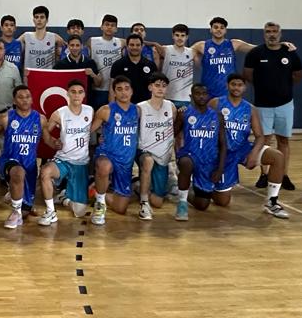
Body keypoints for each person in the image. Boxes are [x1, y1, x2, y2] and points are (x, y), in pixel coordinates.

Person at [211, 74, 290, 218]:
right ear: (227, 85)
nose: (236, 88)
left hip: (242, 149)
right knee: (222, 202)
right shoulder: (216, 103)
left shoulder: (250, 108)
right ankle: (208, 188)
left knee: (277, 157)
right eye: (233, 84)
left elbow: (260, 136)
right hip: (222, 154)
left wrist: (254, 153)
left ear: (245, 87)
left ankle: (271, 202)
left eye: (239, 85)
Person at [243, 22, 302, 191]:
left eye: (275, 31)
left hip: (285, 104)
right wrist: (264, 87)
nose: (272, 34)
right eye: (268, 31)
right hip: (262, 105)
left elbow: (298, 74)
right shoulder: (256, 53)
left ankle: (283, 175)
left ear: (280, 33)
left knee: (283, 140)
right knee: (265, 140)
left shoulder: (289, 53)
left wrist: (283, 86)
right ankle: (264, 174)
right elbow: (247, 75)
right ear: (264, 34)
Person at [38, 79, 97, 225]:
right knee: (45, 172)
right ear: (68, 94)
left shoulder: (90, 111)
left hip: (81, 163)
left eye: (80, 92)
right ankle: (50, 211)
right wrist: (53, 142)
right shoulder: (59, 114)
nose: (77, 95)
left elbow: (97, 129)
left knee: (79, 211)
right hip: (63, 159)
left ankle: (64, 198)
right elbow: (45, 132)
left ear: (84, 95)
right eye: (73, 92)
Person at [90, 76, 140, 225]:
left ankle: (94, 190)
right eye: (119, 89)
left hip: (126, 162)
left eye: (126, 89)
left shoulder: (138, 110)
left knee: (121, 208)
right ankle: (99, 205)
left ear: (132, 91)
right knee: (104, 166)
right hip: (107, 154)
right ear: (114, 92)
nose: (123, 92)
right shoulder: (106, 110)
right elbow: (88, 130)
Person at [173, 83, 226, 220]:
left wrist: (220, 169)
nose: (201, 96)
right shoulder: (184, 114)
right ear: (191, 96)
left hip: (208, 161)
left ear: (208, 96)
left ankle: (182, 189)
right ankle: (182, 203)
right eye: (197, 94)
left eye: (204, 94)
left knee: (202, 205)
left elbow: (223, 144)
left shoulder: (217, 116)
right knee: (186, 163)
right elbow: (172, 134)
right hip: (189, 155)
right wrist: (174, 155)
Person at [0, 85, 44, 228]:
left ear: (32, 99)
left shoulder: (40, 119)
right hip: (9, 160)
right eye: (20, 97)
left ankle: (14, 198)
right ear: (14, 101)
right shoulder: (5, 118)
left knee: (26, 211)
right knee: (18, 172)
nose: (25, 100)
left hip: (30, 165)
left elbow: (48, 139)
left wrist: (58, 143)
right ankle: (15, 212)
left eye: (27, 97)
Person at [136, 73, 178, 220]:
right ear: (150, 87)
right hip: (145, 151)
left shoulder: (171, 107)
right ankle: (143, 203)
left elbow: (174, 127)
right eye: (157, 85)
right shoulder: (140, 107)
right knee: (148, 161)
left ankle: (138, 186)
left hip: (163, 155)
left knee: (158, 202)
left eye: (164, 86)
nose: (160, 88)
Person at [191, 17, 256, 99]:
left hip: (229, 92)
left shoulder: (233, 44)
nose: (219, 30)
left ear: (225, 30)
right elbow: (185, 55)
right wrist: (196, 57)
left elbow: (257, 49)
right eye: (216, 27)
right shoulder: (202, 45)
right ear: (210, 30)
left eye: (222, 27)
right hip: (208, 92)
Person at [88, 14, 124, 110]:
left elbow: (138, 42)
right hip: (97, 88)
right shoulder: (92, 41)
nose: (109, 27)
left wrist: (154, 44)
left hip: (115, 87)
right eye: (107, 24)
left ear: (116, 29)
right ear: (101, 27)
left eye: (112, 25)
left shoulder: (121, 42)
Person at [109, 34, 157, 104]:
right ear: (127, 46)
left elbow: (155, 87)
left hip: (146, 105)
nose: (135, 47)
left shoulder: (151, 65)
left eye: (138, 45)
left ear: (142, 46)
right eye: (132, 45)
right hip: (124, 105)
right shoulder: (118, 64)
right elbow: (112, 88)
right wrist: (112, 106)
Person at [20, 5, 64, 76]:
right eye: (36, 17)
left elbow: (66, 52)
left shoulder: (55, 37)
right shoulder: (25, 36)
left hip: (48, 76)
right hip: (30, 76)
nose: (39, 20)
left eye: (42, 17)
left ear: (47, 20)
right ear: (33, 20)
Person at [157, 24, 194, 109]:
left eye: (182, 35)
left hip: (185, 97)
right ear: (172, 36)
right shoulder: (165, 49)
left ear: (187, 37)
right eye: (177, 35)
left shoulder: (192, 52)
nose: (180, 38)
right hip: (167, 95)